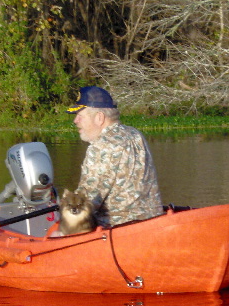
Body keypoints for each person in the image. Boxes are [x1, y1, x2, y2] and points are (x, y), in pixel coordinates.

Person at [66, 86, 163, 227]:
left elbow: (84, 203)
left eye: (80, 116)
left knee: (57, 233)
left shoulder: (101, 146)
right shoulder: (135, 134)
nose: (75, 121)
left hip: (119, 231)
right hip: (154, 223)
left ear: (99, 118)